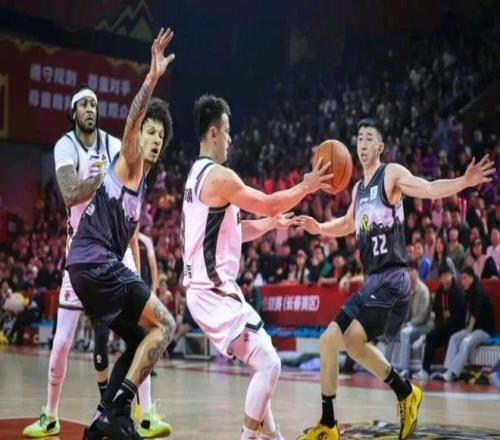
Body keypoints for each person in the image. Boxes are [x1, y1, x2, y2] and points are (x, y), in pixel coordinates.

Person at [296, 117, 494, 440]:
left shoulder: (391, 174)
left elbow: (428, 189)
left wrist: (464, 181)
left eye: (369, 138)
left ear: (380, 146)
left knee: (350, 338)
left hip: (394, 280)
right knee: (332, 341)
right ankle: (348, 416)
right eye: (359, 137)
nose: (362, 143)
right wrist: (319, 228)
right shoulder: (358, 189)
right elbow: (347, 224)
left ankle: (399, 395)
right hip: (372, 282)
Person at [23, 85, 169, 438]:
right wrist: (101, 178)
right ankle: (52, 413)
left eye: (94, 103)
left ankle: (135, 413)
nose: (90, 108)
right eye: (83, 104)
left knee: (142, 333)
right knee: (64, 340)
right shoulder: (66, 146)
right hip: (86, 249)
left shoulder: (114, 146)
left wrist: (138, 265)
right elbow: (70, 192)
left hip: (112, 252)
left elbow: (130, 215)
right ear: (73, 112)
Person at [182, 94, 330, 440]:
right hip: (213, 290)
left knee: (260, 360)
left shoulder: (196, 175)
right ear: (214, 133)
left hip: (207, 290)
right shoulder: (219, 177)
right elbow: (266, 202)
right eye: (228, 131)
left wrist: (270, 225)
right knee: (269, 363)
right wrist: (306, 186)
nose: (231, 139)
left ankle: (272, 437)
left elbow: (236, 230)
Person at [65, 28, 176, 439]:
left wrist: (141, 282)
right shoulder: (128, 159)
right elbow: (132, 119)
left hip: (88, 269)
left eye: (160, 136)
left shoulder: (140, 187)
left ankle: (103, 420)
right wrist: (152, 76)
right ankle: (119, 412)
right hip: (95, 262)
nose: (155, 140)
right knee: (167, 325)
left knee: (139, 338)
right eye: (151, 132)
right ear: (138, 135)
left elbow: (130, 239)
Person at [437, 266, 495, 382]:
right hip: (472, 329)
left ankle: (453, 373)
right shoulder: (468, 292)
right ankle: (447, 369)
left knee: (466, 341)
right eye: (461, 279)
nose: (462, 282)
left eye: (464, 278)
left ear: (471, 278)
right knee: (454, 338)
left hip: (484, 330)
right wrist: (466, 330)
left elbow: (475, 313)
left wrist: (468, 331)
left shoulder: (478, 291)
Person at [413, 265, 465, 380]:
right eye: (443, 276)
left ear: (451, 276)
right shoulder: (439, 292)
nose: (445, 279)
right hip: (443, 327)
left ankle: (449, 372)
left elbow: (460, 314)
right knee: (431, 337)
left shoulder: (458, 292)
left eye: (447, 276)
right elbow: (436, 311)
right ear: (440, 279)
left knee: (444, 336)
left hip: (456, 326)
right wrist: (437, 318)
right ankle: (425, 370)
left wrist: (450, 315)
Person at [385, 260, 433, 378]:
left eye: (412, 270)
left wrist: (407, 324)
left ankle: (404, 369)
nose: (409, 273)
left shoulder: (423, 290)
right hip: (410, 325)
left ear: (417, 272)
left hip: (423, 326)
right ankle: (385, 367)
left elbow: (423, 316)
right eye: (407, 271)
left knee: (405, 333)